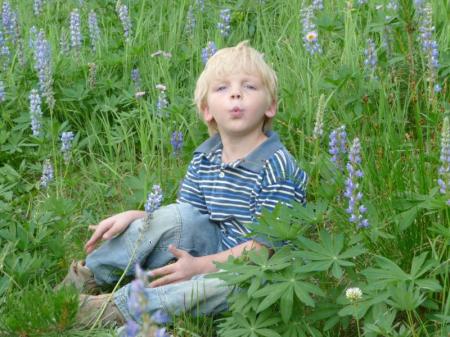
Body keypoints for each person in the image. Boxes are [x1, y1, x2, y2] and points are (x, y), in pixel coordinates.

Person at [61, 40, 307, 328]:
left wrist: (200, 267)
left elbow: (264, 250)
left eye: (249, 87)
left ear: (271, 106)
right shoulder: (206, 156)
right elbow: (184, 219)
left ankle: (115, 309)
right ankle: (85, 278)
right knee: (180, 216)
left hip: (256, 271)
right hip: (210, 248)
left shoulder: (277, 165)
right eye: (222, 88)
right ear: (207, 110)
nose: (236, 93)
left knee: (218, 286)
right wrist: (137, 217)